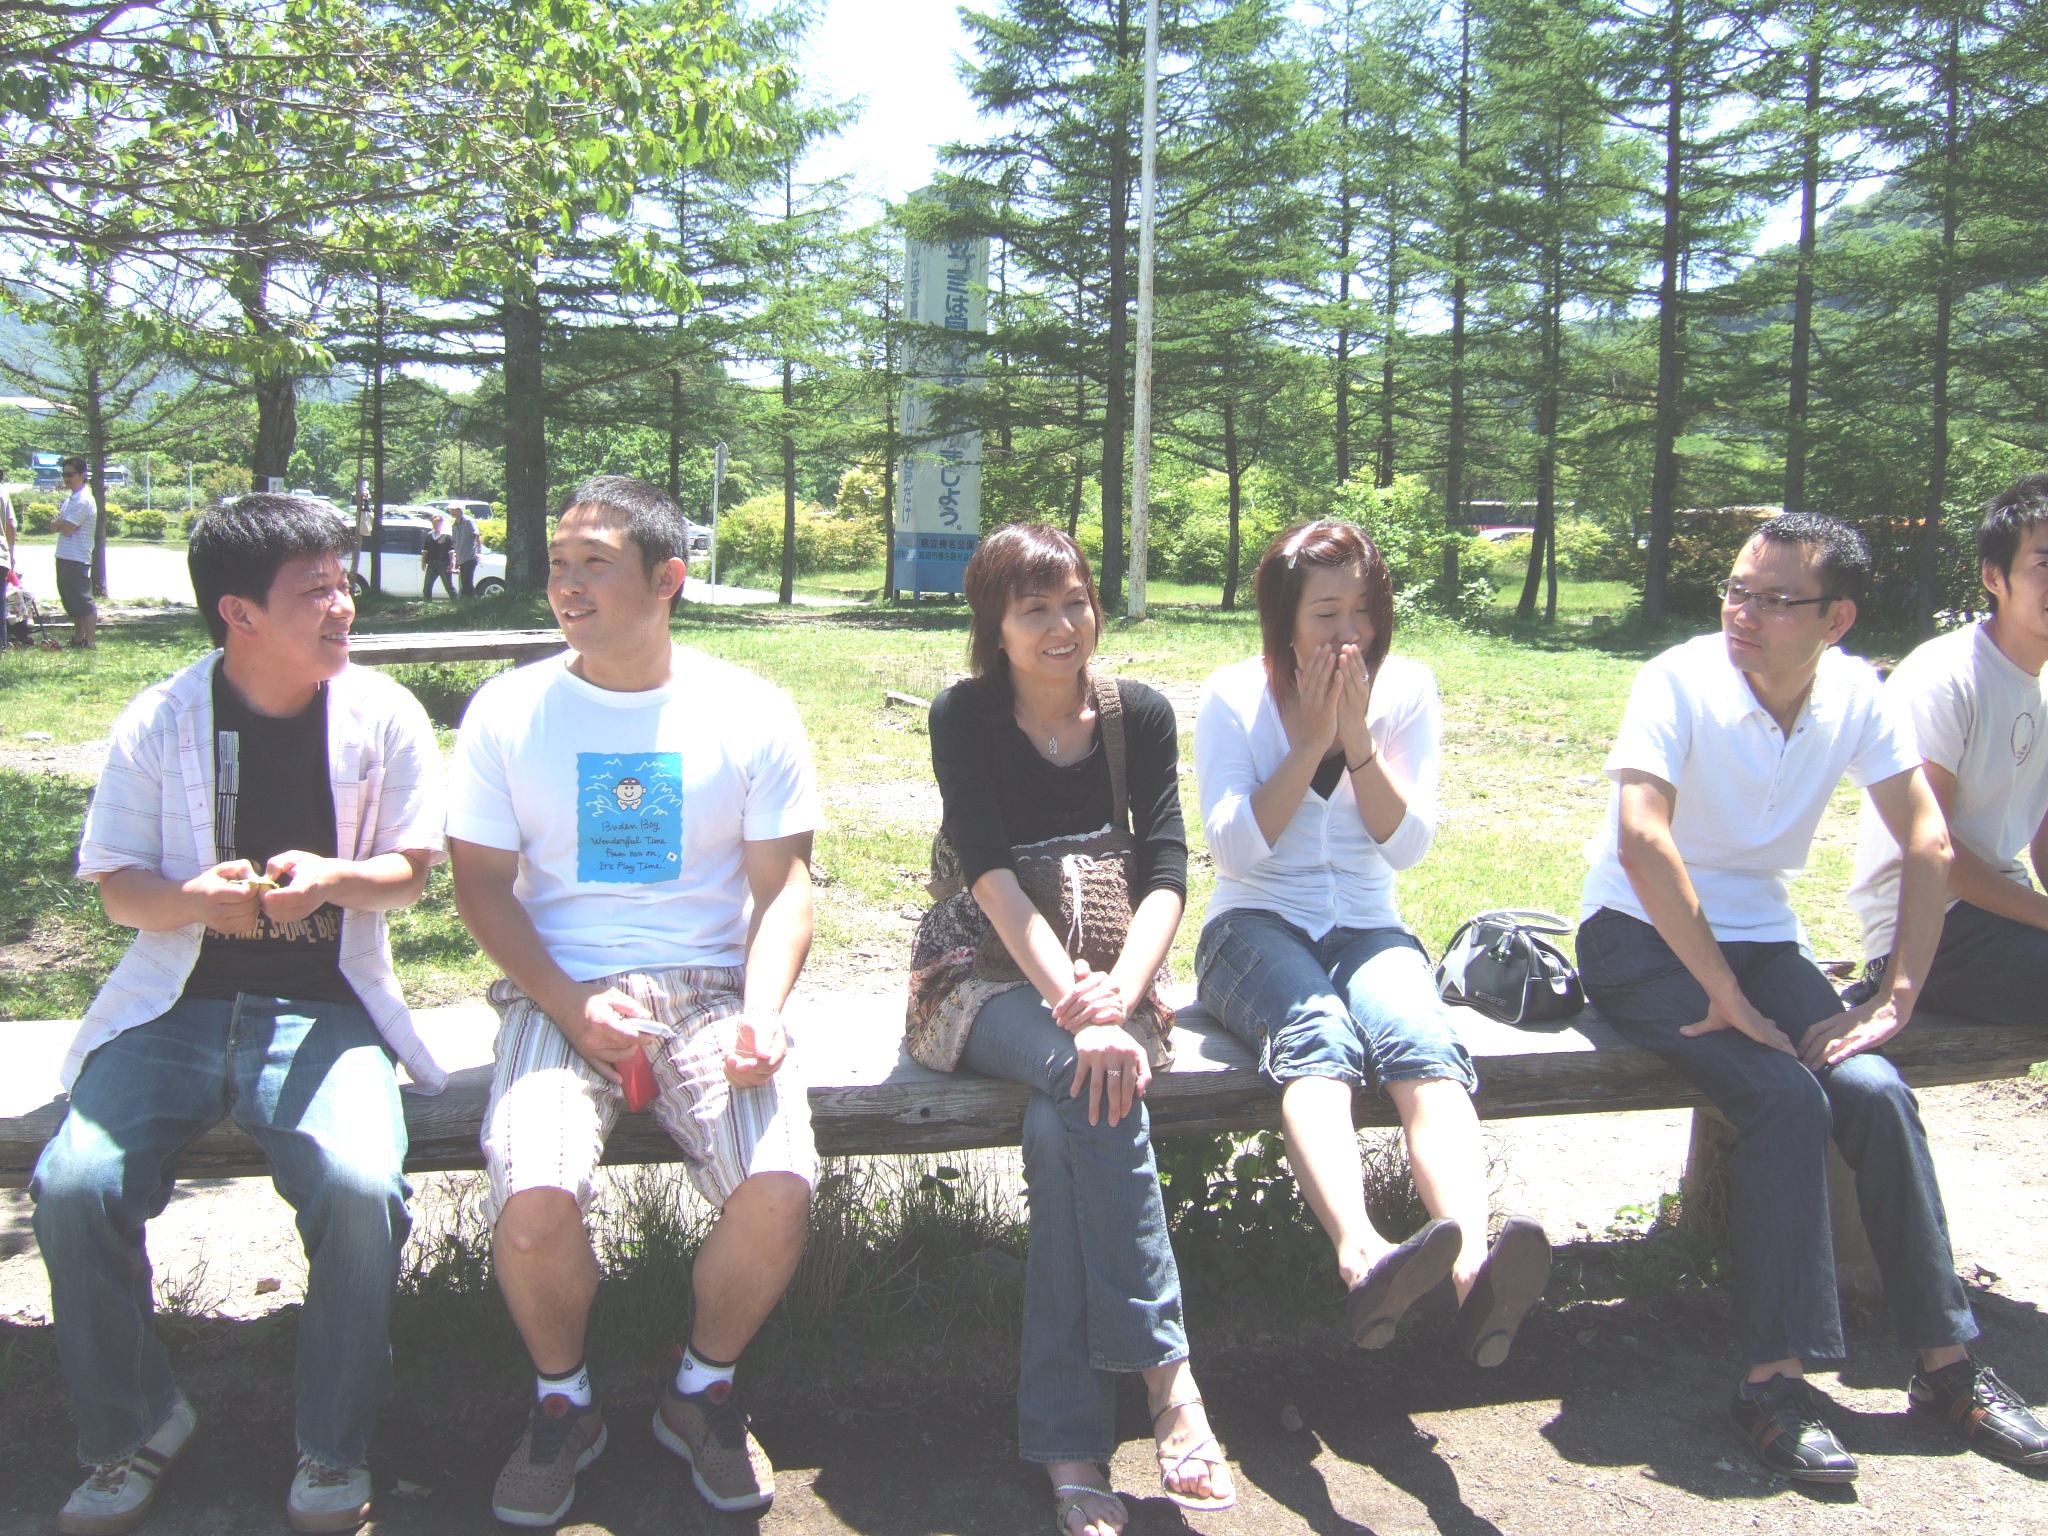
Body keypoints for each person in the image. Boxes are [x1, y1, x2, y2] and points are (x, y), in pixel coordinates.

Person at [1575, 510, 2048, 1482]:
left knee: (1874, 1089)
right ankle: (1771, 1384)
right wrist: (1722, 992)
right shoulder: (1676, 680)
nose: (1742, 614)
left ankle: (1947, 1368)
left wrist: (1898, 995)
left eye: (1774, 600)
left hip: (1760, 941)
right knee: (1784, 1097)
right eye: (1735, 591)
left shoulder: (1855, 695)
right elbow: (1641, 839)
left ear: (1835, 618)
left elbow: (1927, 840)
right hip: (1639, 939)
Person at [30, 493, 446, 1535]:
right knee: (73, 1186)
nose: (344, 606)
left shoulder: (383, 714)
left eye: (343, 583)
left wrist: (335, 879)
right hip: (175, 1003)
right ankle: (133, 1425)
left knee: (359, 1187)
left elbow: (410, 876)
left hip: (325, 1007)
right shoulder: (161, 718)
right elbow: (118, 889)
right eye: (317, 590)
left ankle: (332, 1440)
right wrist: (192, 903)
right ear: (239, 612)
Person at [447, 474, 817, 1524]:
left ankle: (702, 1390)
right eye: (559, 563)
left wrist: (762, 1013)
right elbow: (480, 885)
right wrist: (570, 1007)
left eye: (595, 564)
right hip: (556, 994)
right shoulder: (508, 711)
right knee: (533, 1194)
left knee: (780, 1184)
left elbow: (784, 888)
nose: (567, 583)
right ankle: (563, 1404)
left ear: (668, 580)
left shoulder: (750, 709)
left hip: (708, 992)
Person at [913, 522, 1231, 1536]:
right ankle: (1170, 1381)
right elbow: (988, 874)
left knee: (1072, 1121)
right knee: (1090, 1072)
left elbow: (1168, 867)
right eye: (1034, 609)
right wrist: (1074, 1010)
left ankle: (1066, 1444)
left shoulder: (1138, 714)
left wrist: (1119, 998)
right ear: (994, 627)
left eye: (1075, 601)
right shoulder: (965, 715)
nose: (1062, 626)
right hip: (983, 976)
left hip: (1113, 979)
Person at [1192, 519, 1551, 1368]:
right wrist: (1310, 740)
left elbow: (1407, 844)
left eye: (1364, 611)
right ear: (1284, 620)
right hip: (1251, 925)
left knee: (1424, 1042)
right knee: (1316, 1035)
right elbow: (1235, 850)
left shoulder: (1409, 691)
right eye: (1326, 615)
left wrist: (1357, 739)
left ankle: (1473, 1273)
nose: (1349, 634)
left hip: (1368, 923)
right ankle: (1363, 1256)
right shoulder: (1233, 696)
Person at [1849, 473, 2048, 1027]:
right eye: (2044, 564)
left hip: (2001, 918)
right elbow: (1934, 851)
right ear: (1994, 577)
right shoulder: (1946, 676)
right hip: (1925, 934)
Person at [54, 455, 98, 647]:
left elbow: (66, 528)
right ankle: (79, 638)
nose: (66, 478)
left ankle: (91, 642)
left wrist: (60, 523)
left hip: (77, 557)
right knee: (71, 600)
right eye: (64, 474)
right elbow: (55, 525)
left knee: (83, 600)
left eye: (70, 474)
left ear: (82, 475)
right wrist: (60, 523)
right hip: (64, 555)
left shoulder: (84, 500)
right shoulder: (70, 500)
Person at [421, 513, 456, 600]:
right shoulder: (429, 535)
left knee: (448, 586)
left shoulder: (447, 536)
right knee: (427, 587)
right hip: (432, 563)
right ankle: (428, 604)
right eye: (434, 523)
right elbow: (425, 550)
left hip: (444, 564)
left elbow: (451, 552)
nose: (436, 525)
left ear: (441, 523)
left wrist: (452, 563)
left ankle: (455, 602)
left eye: (438, 523)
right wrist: (423, 562)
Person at [452, 505, 481, 598]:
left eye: (454, 510)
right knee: (465, 583)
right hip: (461, 558)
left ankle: (473, 600)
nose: (452, 512)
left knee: (467, 582)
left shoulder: (468, 521)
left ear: (459, 510)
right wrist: (456, 560)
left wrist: (479, 552)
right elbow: (455, 543)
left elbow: (476, 535)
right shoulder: (454, 525)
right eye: (451, 510)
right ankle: (469, 600)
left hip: (470, 556)